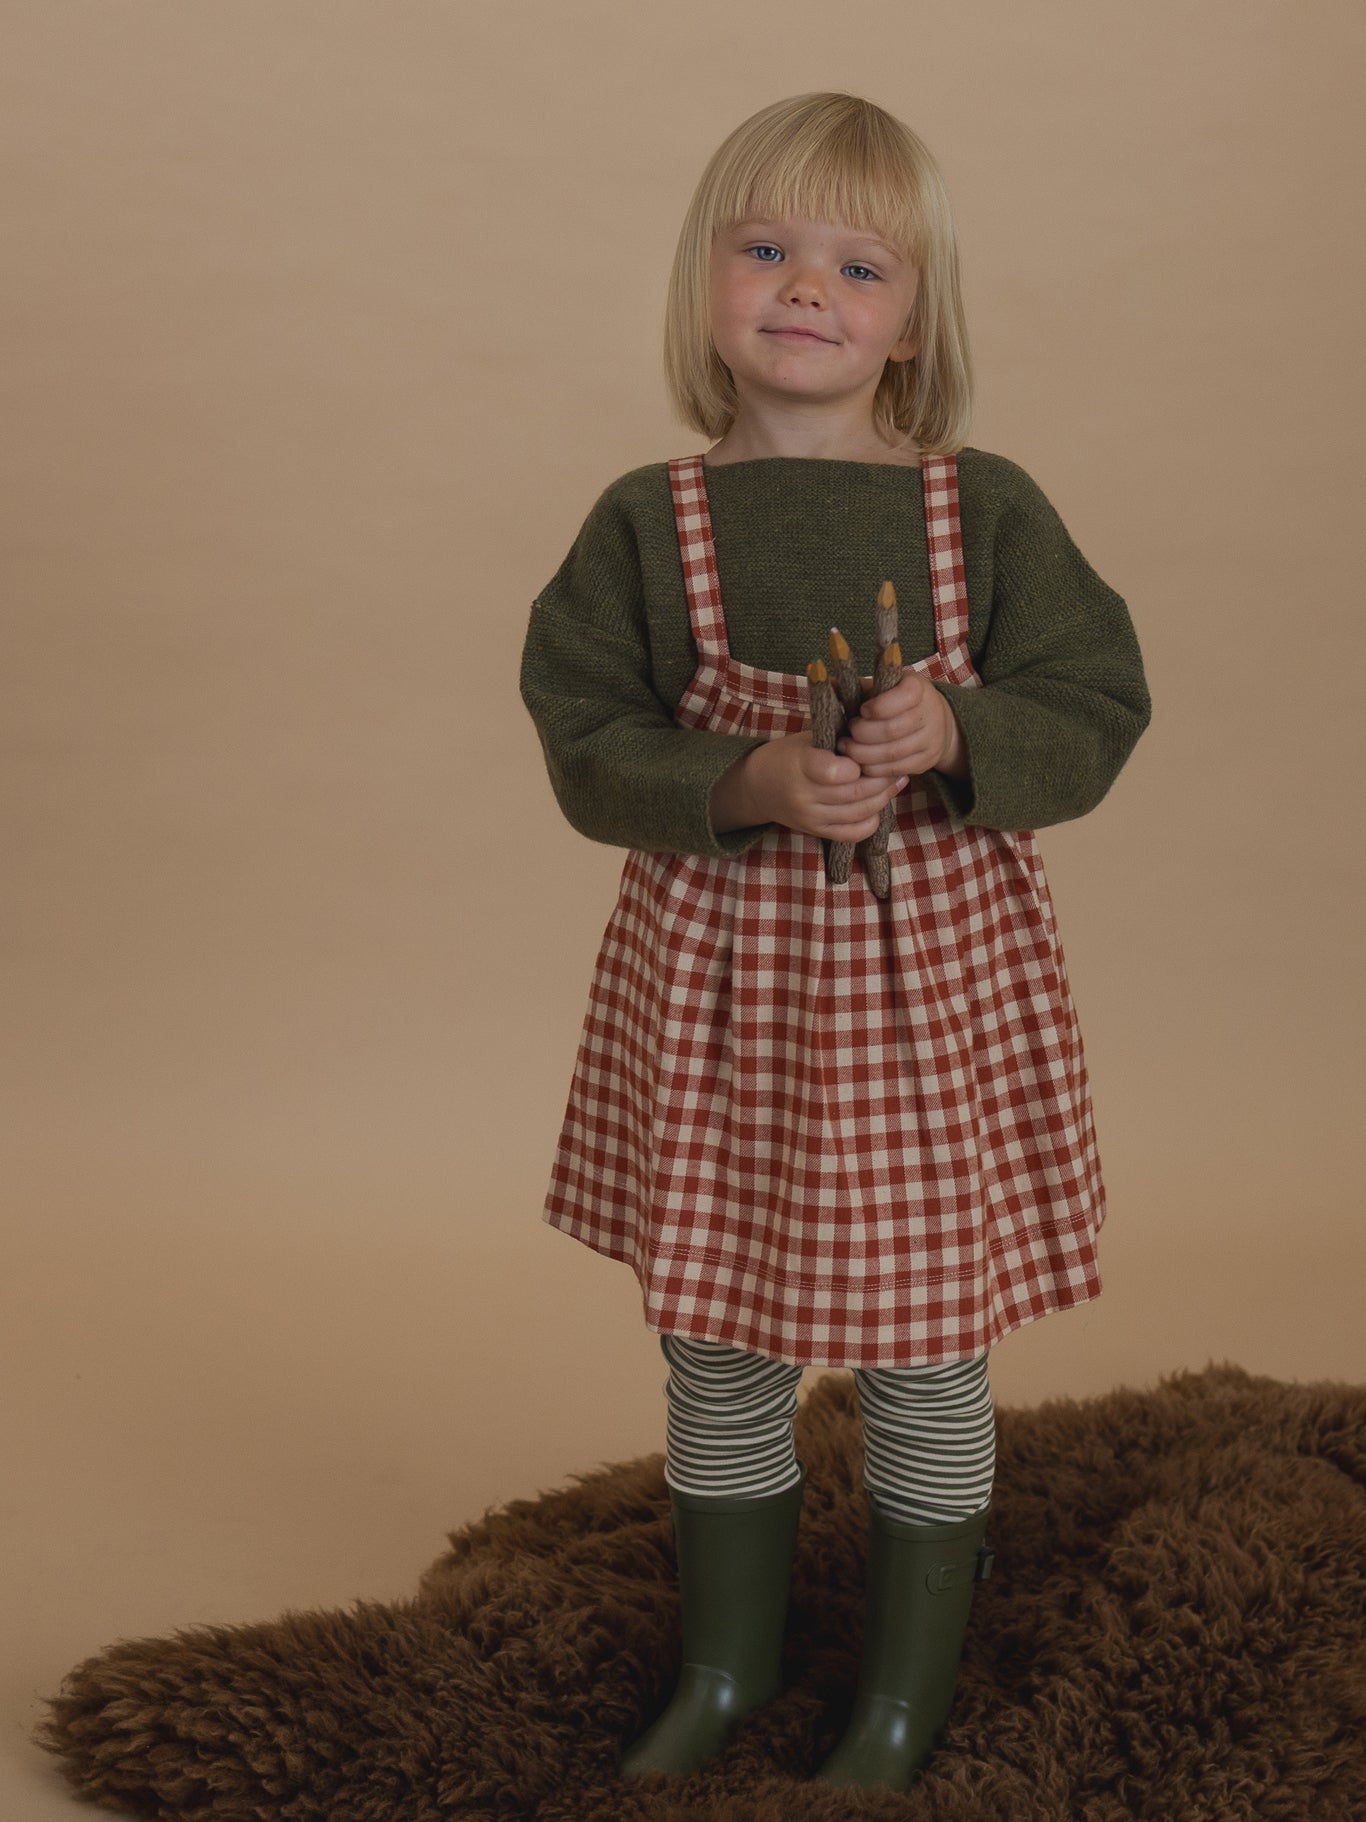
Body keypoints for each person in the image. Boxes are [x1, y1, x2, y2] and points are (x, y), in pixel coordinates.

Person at [518, 91, 1151, 1792]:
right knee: (719, 1337)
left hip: (923, 1009)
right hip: (723, 998)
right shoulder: (647, 520)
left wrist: (953, 733)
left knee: (923, 1350)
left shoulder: (981, 508)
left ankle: (897, 1699)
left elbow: (1095, 697)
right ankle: (724, 1665)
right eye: (766, 249)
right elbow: (582, 727)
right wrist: (735, 778)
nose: (808, 288)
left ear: (914, 322)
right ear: (704, 282)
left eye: (859, 266)